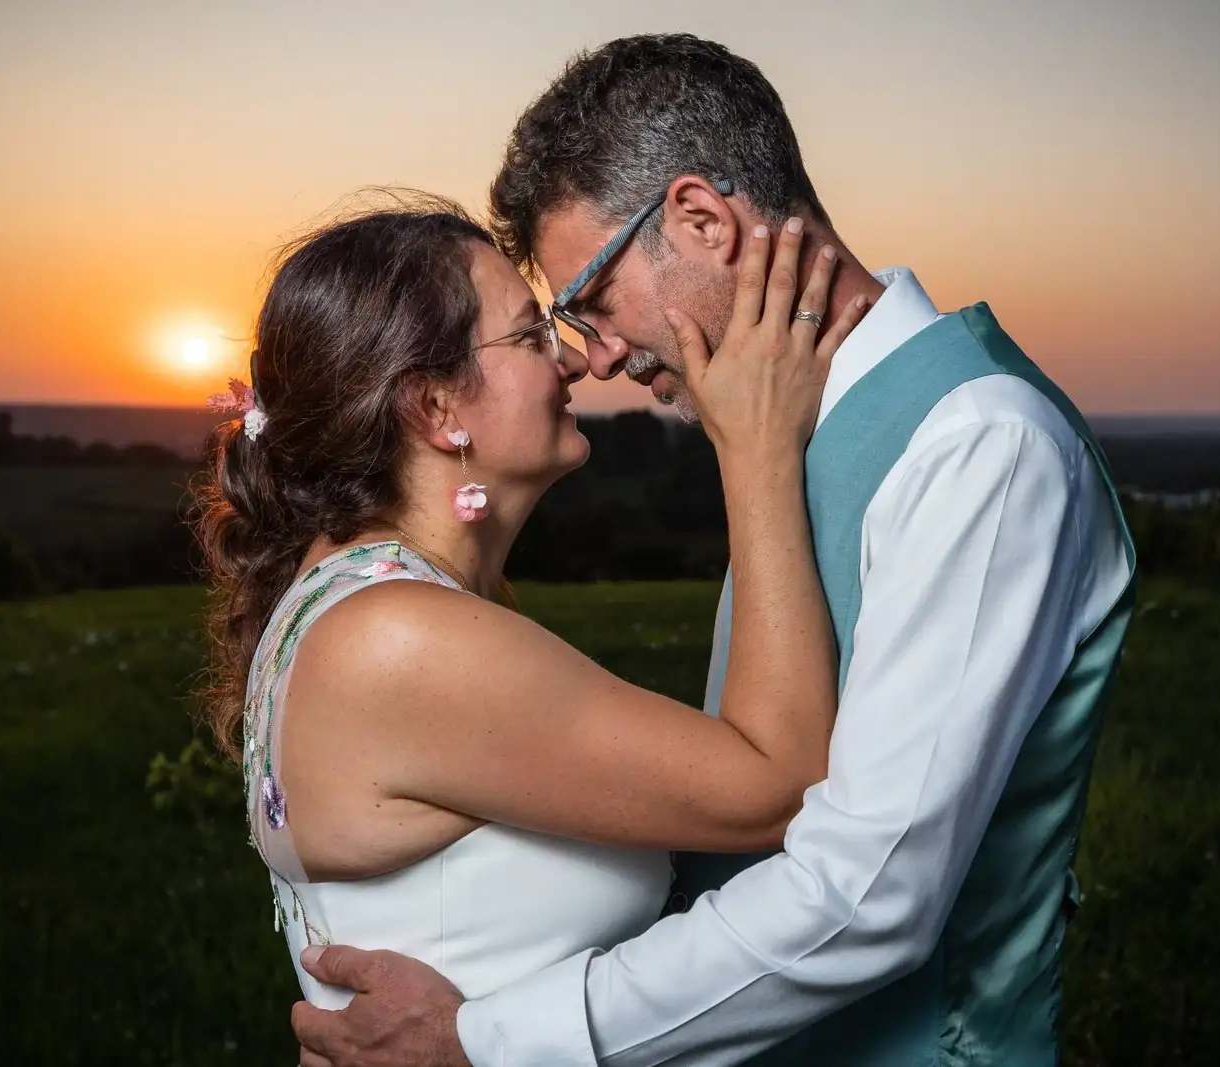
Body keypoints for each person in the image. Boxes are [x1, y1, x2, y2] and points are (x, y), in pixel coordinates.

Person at [291, 33, 1137, 1067]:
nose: (595, 356)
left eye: (593, 298)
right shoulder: (778, 433)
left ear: (700, 219)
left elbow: (869, 893)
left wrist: (490, 1034)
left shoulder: (981, 443)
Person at [193, 190, 867, 1033]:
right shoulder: (398, 637)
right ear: (436, 407)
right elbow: (782, 782)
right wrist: (757, 445)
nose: (578, 361)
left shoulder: (364, 606)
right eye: (530, 334)